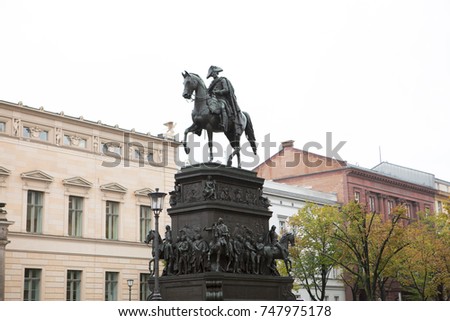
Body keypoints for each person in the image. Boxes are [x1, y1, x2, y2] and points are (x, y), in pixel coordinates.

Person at [207, 66, 244, 135]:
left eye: (214, 73)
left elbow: (226, 90)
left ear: (217, 73)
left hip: (222, 99)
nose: (213, 75)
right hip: (213, 100)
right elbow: (208, 91)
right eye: (212, 74)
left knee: (222, 106)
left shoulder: (222, 80)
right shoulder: (212, 83)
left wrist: (218, 92)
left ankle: (223, 123)